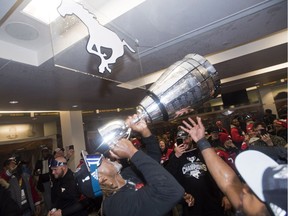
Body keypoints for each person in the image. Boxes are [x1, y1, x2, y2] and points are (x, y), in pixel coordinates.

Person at [74, 116, 184, 216]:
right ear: (101, 178)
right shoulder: (117, 206)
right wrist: (131, 152)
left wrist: (144, 131)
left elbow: (153, 158)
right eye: (99, 162)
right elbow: (173, 191)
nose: (105, 158)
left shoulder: (126, 175)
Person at [180, 116, 287, 216]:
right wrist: (202, 141)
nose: (244, 188)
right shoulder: (252, 209)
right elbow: (229, 183)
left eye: (253, 192)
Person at [165, 128, 229, 216]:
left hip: (212, 201)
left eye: (185, 138)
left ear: (191, 138)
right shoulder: (175, 157)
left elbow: (217, 173)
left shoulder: (202, 152)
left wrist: (225, 195)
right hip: (192, 205)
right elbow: (167, 177)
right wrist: (176, 156)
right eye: (180, 140)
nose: (184, 142)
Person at [34, 146, 53, 212]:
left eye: (46, 151)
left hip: (51, 179)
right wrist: (37, 172)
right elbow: (35, 172)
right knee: (46, 196)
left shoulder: (51, 159)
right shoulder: (39, 161)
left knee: (50, 195)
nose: (45, 153)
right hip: (43, 180)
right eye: (44, 151)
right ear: (42, 153)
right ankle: (49, 210)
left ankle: (50, 209)